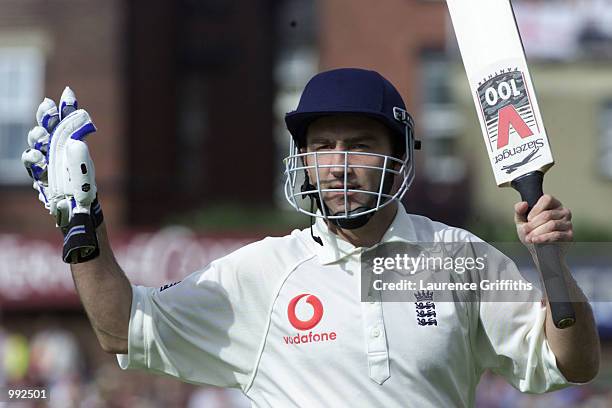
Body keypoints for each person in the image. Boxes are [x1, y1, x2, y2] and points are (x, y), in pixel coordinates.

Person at [23, 68, 599, 407]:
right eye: (322, 147)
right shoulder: (262, 273)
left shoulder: (457, 258)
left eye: (360, 145)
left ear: (398, 156)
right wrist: (85, 222)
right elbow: (119, 328)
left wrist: (552, 266)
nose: (339, 164)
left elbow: (573, 364)